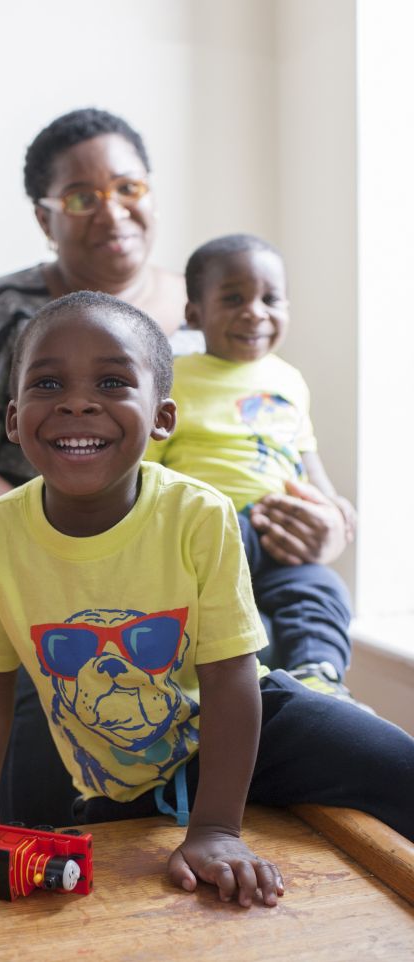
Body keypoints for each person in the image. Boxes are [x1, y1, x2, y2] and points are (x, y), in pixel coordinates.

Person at [0, 292, 414, 906]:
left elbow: (228, 672)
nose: (77, 401)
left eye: (111, 381)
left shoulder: (198, 514)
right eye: (48, 383)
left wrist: (215, 829)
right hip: (113, 766)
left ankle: (302, 708)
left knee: (396, 764)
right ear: (13, 418)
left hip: (242, 723)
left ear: (162, 419)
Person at [0, 110, 350, 824]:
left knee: (278, 642)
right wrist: (55, 556)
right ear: (44, 217)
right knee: (58, 670)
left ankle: (232, 815)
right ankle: (46, 840)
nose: (109, 208)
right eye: (81, 196)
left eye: (127, 186)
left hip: (200, 550)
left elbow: (275, 430)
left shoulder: (208, 307)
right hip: (58, 584)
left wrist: (328, 521)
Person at [144, 234, 360, 700]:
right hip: (211, 529)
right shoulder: (173, 378)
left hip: (280, 531)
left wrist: (334, 504)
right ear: (195, 314)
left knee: (321, 589)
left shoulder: (289, 380)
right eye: (234, 298)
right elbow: (147, 469)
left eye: (271, 298)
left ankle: (318, 676)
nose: (256, 311)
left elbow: (305, 458)